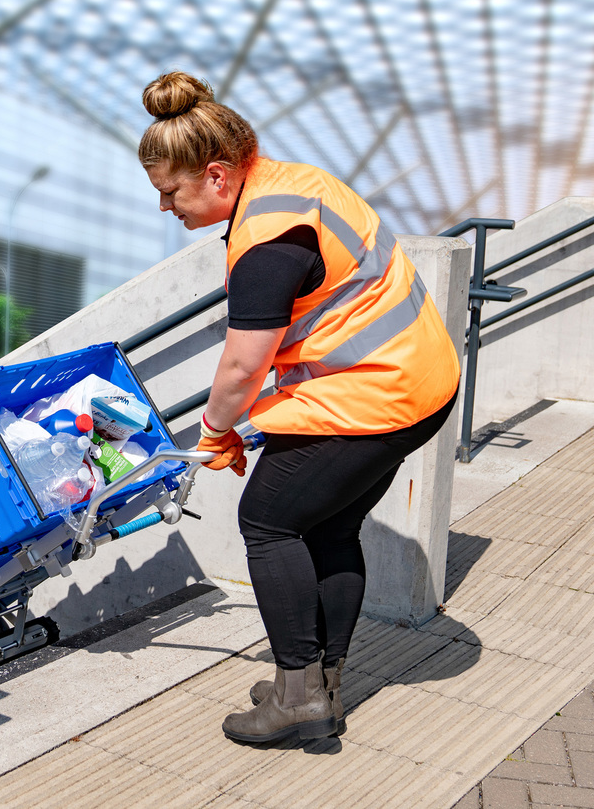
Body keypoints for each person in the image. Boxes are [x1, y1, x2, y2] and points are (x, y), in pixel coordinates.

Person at [138, 71, 461, 744]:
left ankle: (299, 696)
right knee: (328, 527)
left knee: (267, 520)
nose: (165, 208)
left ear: (218, 176)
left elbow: (241, 365)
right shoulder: (291, 183)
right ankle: (324, 683)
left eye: (171, 192)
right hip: (417, 377)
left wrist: (215, 431)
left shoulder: (266, 240)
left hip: (381, 391)